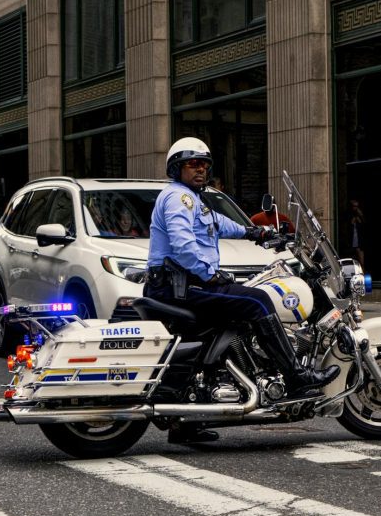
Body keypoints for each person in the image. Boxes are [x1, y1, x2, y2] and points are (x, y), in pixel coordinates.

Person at [144, 136, 340, 444]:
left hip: (179, 285)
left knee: (231, 321)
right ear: (176, 168)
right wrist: (210, 276)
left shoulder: (197, 200)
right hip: (178, 287)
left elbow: (221, 224)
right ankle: (296, 378)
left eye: (204, 165)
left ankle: (189, 419)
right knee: (259, 301)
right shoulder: (177, 198)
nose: (200, 170)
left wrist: (256, 232)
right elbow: (183, 247)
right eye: (192, 164)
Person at [347, 199, 366, 268]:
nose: (355, 208)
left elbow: (363, 224)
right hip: (351, 241)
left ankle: (362, 271)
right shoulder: (349, 215)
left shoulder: (360, 215)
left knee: (361, 259)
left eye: (357, 206)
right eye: (354, 206)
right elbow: (349, 224)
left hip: (359, 241)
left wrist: (360, 217)